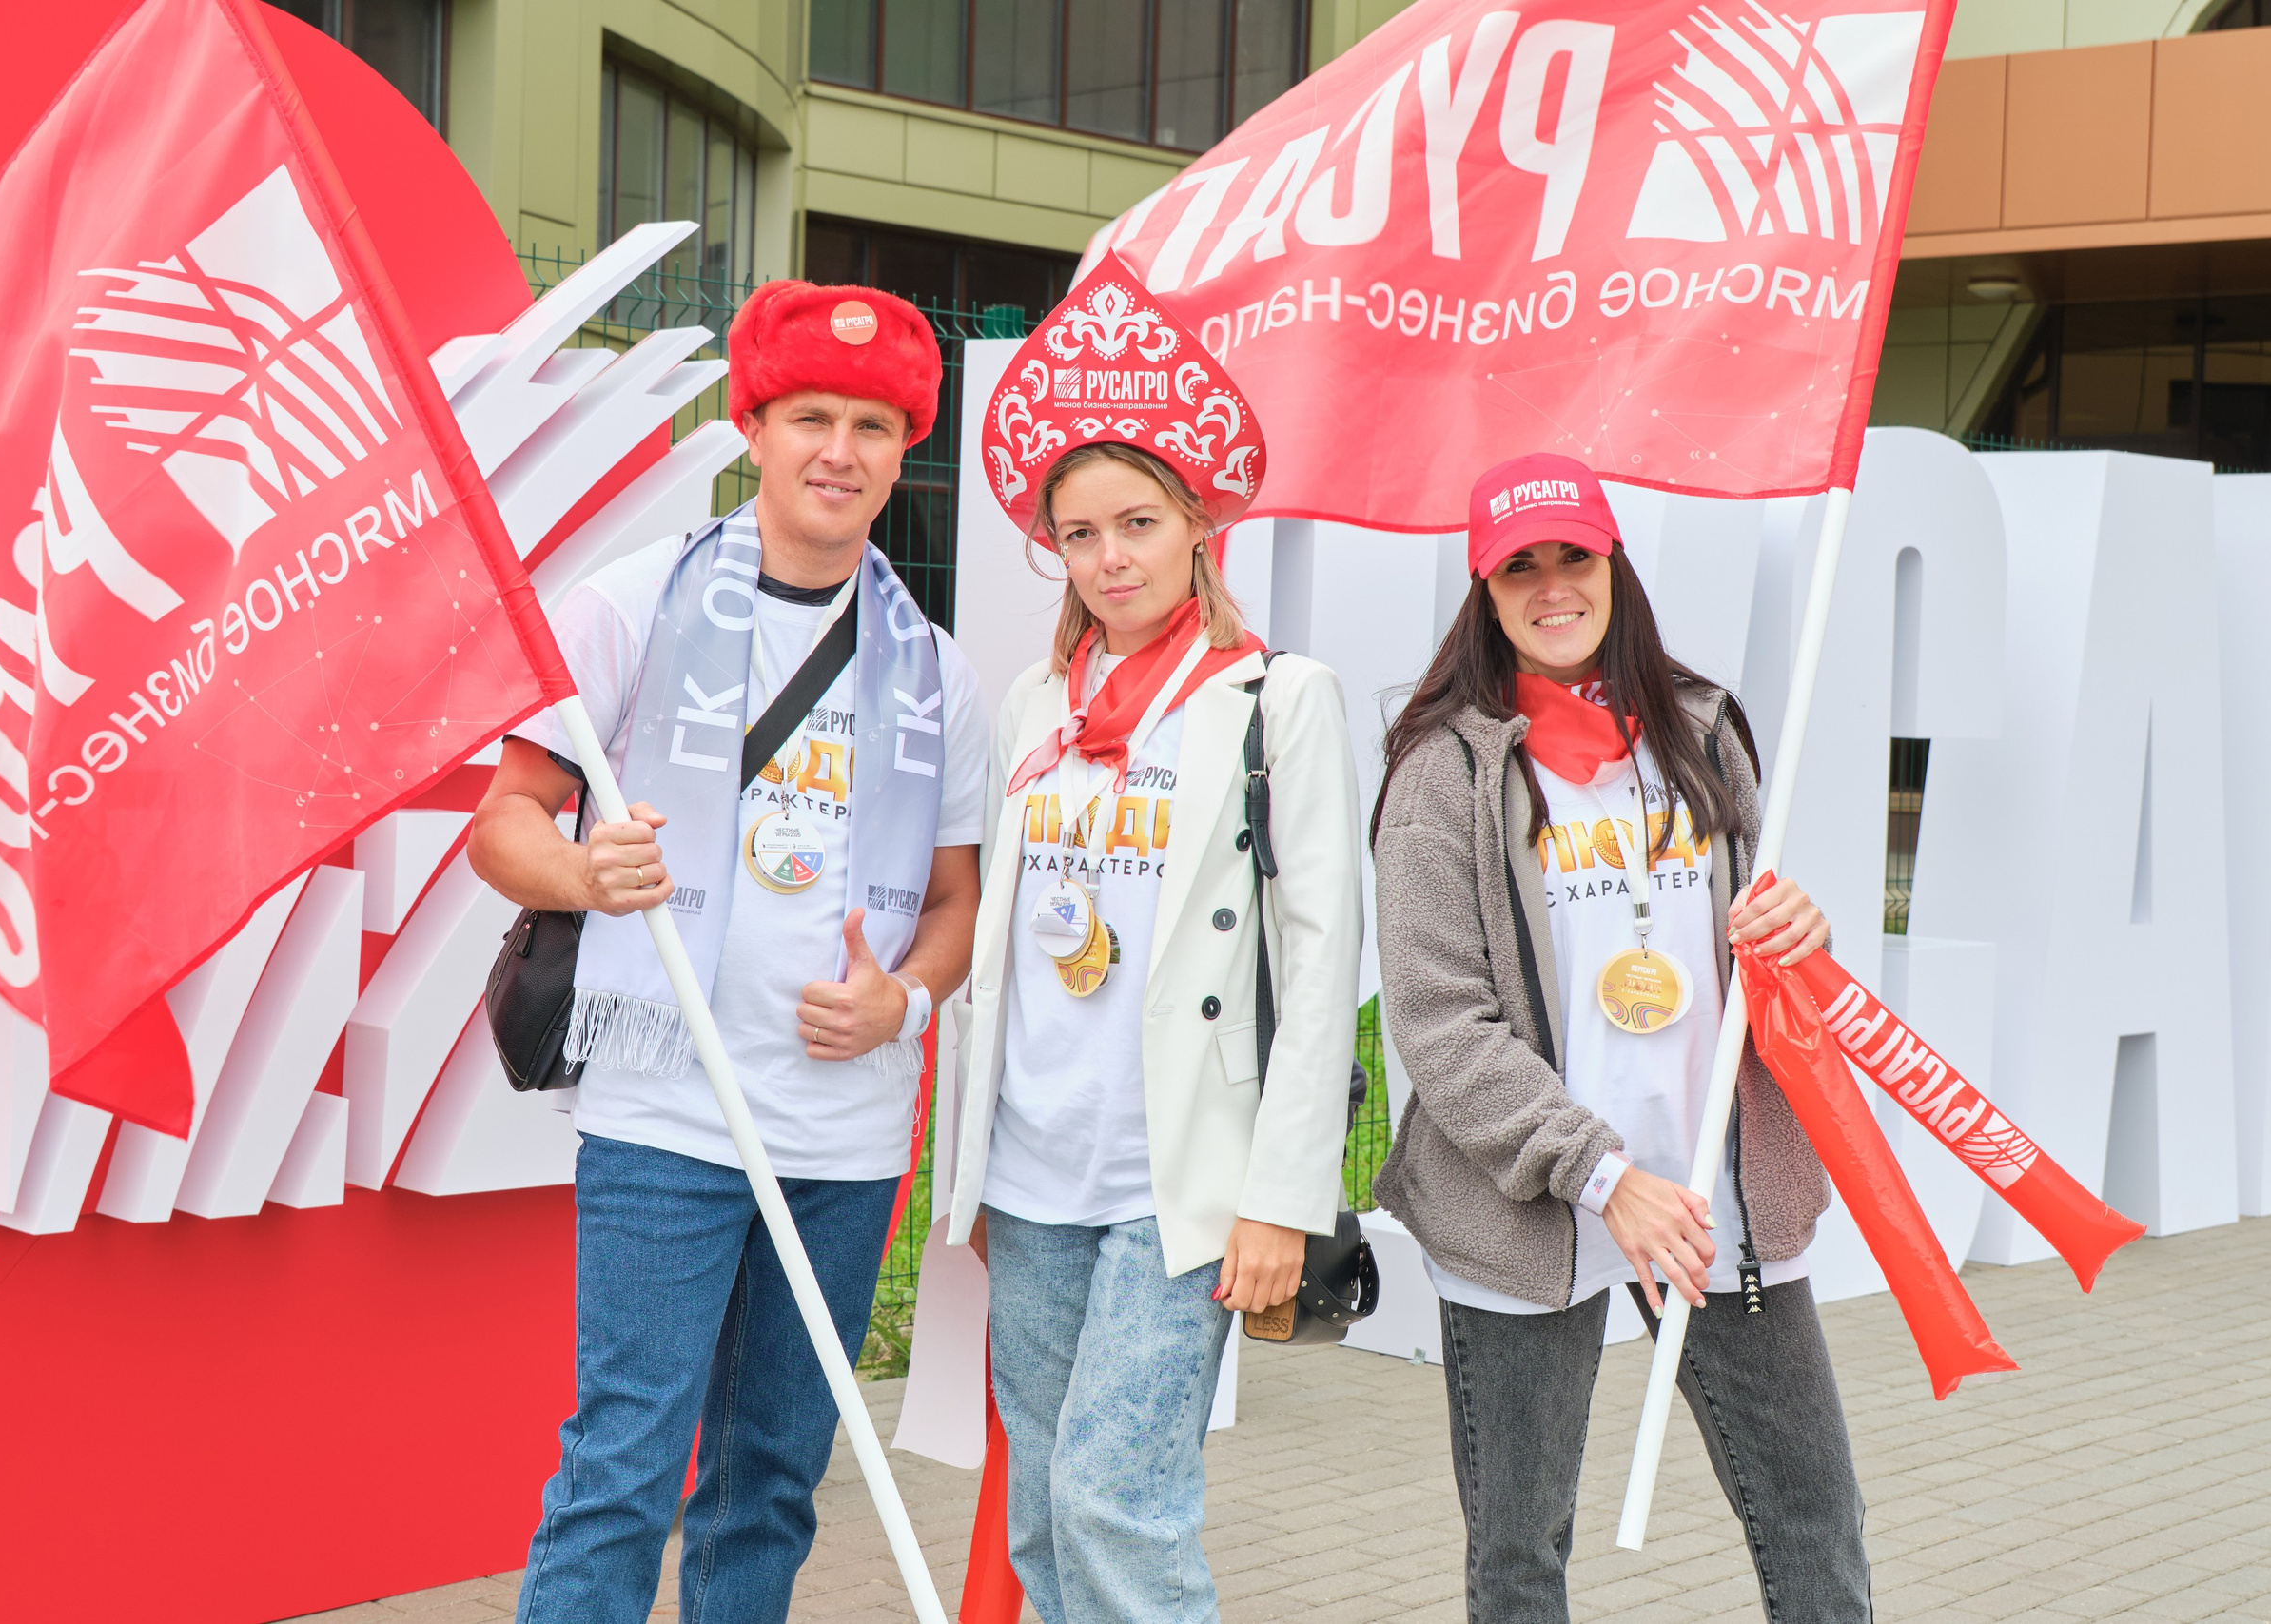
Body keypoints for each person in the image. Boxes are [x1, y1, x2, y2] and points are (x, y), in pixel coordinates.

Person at [468, 280, 990, 1624]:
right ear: (752, 427)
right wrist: (584, 871)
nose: (840, 450)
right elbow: (504, 825)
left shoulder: (939, 671)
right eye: (810, 415)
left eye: (874, 425)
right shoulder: (632, 603)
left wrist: (902, 1001)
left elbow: (955, 905)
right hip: (667, 1112)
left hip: (844, 1136)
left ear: (904, 450)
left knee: (769, 1478)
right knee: (623, 1467)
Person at [1370, 452, 1865, 1622]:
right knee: (1520, 1553)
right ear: (1485, 592)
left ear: (1613, 566)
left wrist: (1797, 931)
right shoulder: (1442, 769)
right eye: (1519, 568)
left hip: (1711, 1192)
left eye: (1573, 558)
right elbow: (1440, 1024)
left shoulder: (1701, 730)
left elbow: (1747, 937)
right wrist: (1603, 1177)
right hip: (1531, 1204)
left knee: (1813, 1515)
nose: (1552, 587)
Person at [945, 258, 1362, 1624]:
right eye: (1080, 533)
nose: (1110, 556)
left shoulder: (1277, 700)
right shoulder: (1034, 704)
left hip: (1174, 1176)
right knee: (1043, 1507)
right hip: (1031, 1169)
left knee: (1117, 1505)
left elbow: (1320, 966)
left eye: (1137, 522)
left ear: (1197, 524)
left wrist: (1280, 1197)